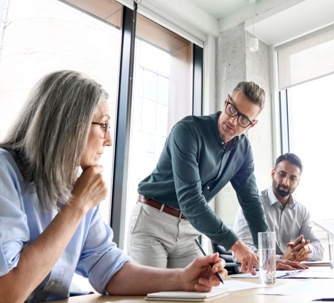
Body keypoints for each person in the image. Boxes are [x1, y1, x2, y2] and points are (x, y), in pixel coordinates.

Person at [0, 70, 227, 302]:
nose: (108, 141)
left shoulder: (77, 186)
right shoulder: (4, 173)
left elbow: (108, 268)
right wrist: (77, 205)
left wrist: (181, 278)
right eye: (104, 126)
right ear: (70, 126)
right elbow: (8, 291)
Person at [128, 81, 303, 273]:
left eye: (244, 119)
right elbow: (191, 199)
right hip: (153, 221)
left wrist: (268, 257)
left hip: (187, 232)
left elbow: (251, 203)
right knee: (152, 297)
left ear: (252, 125)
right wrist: (236, 245)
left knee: (203, 292)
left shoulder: (243, 150)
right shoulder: (188, 131)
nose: (233, 121)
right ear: (226, 101)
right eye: (232, 110)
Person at [233, 153, 324, 262]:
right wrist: (278, 259)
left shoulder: (301, 211)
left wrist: (307, 250)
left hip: (292, 275)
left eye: (293, 178)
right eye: (282, 174)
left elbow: (319, 249)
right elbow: (239, 252)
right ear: (273, 173)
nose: (286, 182)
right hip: (259, 275)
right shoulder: (252, 204)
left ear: (298, 182)